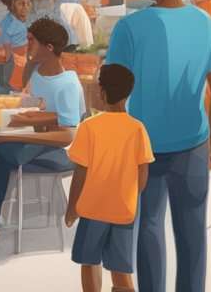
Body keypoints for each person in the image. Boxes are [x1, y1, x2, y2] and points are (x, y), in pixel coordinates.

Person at [108, 0, 211, 292]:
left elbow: (113, 96)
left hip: (143, 148)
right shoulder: (206, 25)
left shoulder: (130, 28)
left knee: (148, 228)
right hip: (194, 144)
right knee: (192, 234)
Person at [0, 17, 84, 245]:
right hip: (33, 134)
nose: (26, 46)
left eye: (31, 41)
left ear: (49, 48)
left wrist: (14, 134)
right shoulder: (37, 71)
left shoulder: (67, 84)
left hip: (54, 145)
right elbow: (29, 102)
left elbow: (68, 135)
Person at [65, 63, 154, 292]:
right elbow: (142, 173)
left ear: (103, 93)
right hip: (124, 210)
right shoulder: (137, 129)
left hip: (92, 209)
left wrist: (71, 208)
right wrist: (130, 195)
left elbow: (80, 173)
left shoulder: (88, 127)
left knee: (89, 262)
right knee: (121, 269)